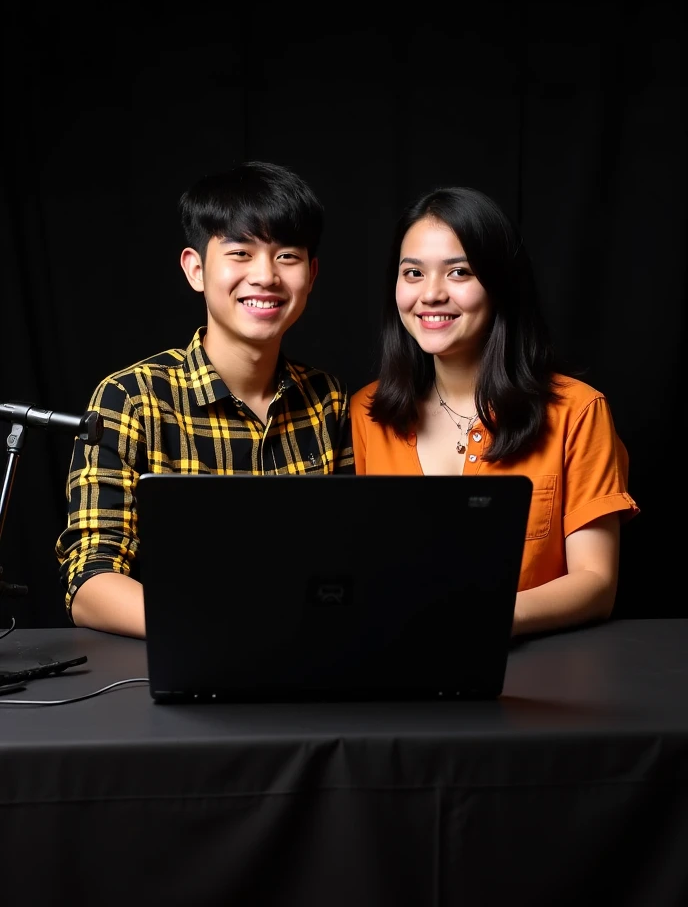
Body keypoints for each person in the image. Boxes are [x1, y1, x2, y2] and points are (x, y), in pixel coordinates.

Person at [56, 161, 354, 638]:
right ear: (196, 269)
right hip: (179, 664)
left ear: (312, 274)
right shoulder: (132, 398)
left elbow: (351, 556)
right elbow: (90, 581)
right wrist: (227, 626)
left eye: (287, 256)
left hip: (310, 659)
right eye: (240, 252)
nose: (265, 276)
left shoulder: (329, 400)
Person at [351, 185, 638, 638]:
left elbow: (596, 583)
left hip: (538, 679)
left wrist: (479, 618)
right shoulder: (367, 412)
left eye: (459, 272)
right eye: (412, 273)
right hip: (401, 669)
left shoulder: (578, 410)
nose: (431, 294)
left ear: (500, 283)